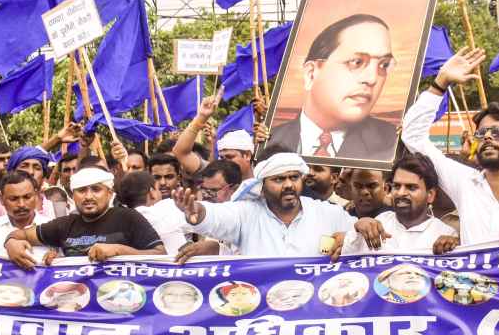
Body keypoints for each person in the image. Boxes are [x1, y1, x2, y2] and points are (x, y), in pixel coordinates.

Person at [401, 47, 499, 247]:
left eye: (497, 133)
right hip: (472, 278)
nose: (487, 139)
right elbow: (412, 135)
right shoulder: (465, 182)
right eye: (481, 133)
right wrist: (440, 82)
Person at [173, 148, 356, 256]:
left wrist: (362, 227)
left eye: (294, 177)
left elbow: (365, 237)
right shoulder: (246, 213)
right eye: (279, 179)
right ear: (262, 186)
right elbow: (217, 216)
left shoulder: (327, 213)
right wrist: (197, 211)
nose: (288, 185)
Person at [267, 14, 398, 160]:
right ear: (311, 73)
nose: (372, 78)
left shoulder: (395, 143)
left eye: (384, 65)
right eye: (356, 62)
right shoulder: (269, 141)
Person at [4, 167, 165, 268]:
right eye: (81, 190)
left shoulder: (128, 217)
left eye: (96, 189)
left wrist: (119, 250)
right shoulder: (64, 225)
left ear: (109, 193)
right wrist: (11, 243)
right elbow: (21, 234)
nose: (88, 196)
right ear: (73, 195)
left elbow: (161, 255)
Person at [337, 154, 455, 256]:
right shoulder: (378, 223)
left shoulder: (445, 234)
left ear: (430, 195)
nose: (401, 193)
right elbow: (345, 261)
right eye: (397, 186)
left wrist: (452, 247)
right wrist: (357, 231)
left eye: (411, 187)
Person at [0, 171, 53, 262]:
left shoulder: (53, 228)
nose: (21, 204)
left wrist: (56, 259)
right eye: (13, 199)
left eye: (27, 197)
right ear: (1, 199)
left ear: (36, 195)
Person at [118, 170, 189, 254]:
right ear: (152, 192)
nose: (160, 193)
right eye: (158, 189)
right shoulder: (168, 208)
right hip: (177, 265)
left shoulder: (119, 220)